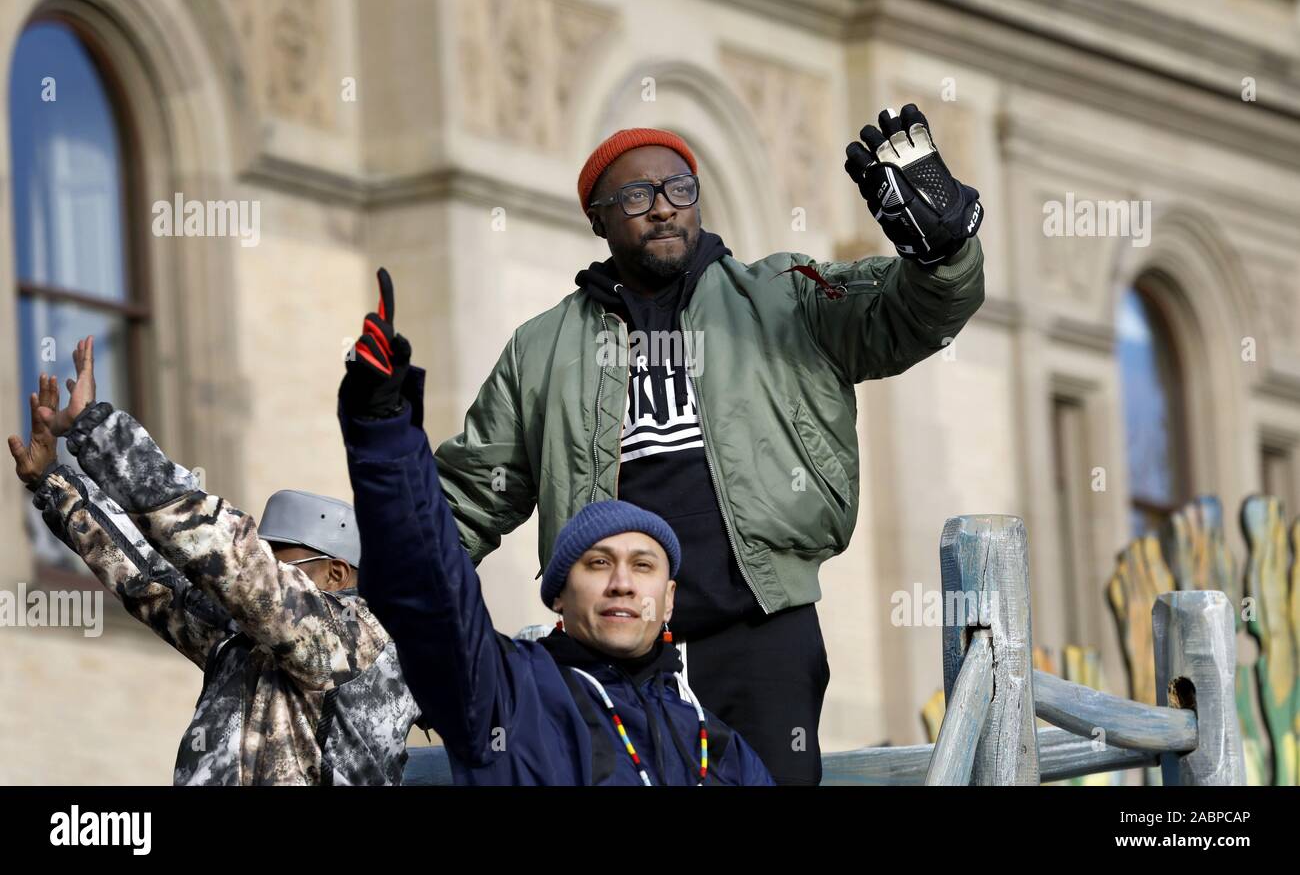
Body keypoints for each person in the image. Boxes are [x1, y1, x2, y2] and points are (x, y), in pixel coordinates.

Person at [424, 105, 987, 783]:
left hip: (761, 633)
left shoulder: (785, 297)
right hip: (607, 649)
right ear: (598, 219)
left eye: (678, 189)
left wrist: (943, 253)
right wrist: (388, 619)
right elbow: (462, 502)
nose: (662, 208)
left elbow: (910, 314)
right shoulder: (541, 350)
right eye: (636, 195)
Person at [337, 292, 772, 784]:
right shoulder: (507, 694)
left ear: (668, 600)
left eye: (644, 565)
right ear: (559, 594)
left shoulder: (718, 748)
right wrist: (385, 430)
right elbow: (427, 590)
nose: (623, 584)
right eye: (599, 563)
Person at [7, 336, 420, 785]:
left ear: (337, 572)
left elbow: (226, 553)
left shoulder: (357, 636)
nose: (267, 568)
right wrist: (54, 483)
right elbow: (150, 580)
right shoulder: (248, 638)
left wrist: (98, 429)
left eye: (278, 560)